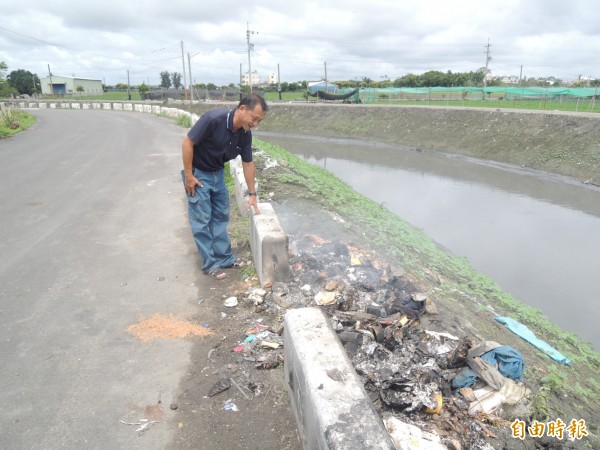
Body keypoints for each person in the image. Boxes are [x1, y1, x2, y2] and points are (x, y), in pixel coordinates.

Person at [181, 94, 267, 280]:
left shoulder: (245, 134)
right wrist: (189, 175)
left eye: (259, 121)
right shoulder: (213, 120)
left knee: (220, 216)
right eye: (254, 118)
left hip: (218, 173)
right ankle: (210, 264)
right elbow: (188, 142)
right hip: (199, 174)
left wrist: (252, 194)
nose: (255, 124)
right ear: (242, 109)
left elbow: (248, 163)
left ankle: (225, 258)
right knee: (201, 220)